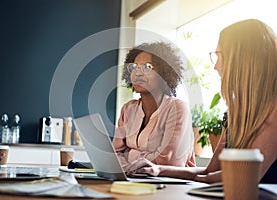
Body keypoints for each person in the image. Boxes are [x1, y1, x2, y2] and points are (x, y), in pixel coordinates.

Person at [134, 19, 277, 184]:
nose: (215, 66)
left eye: (219, 56)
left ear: (241, 59)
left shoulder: (273, 110)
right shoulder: (235, 115)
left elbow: (243, 177)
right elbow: (211, 170)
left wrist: (201, 180)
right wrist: (158, 170)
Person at [113, 41, 195, 171]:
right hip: (135, 180)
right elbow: (115, 155)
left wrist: (130, 154)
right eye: (134, 67)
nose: (138, 73)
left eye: (147, 67)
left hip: (172, 185)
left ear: (164, 73)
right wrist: (147, 158)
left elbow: (170, 162)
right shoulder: (128, 109)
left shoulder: (177, 108)